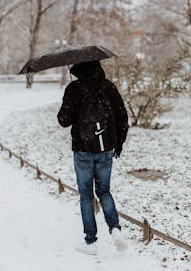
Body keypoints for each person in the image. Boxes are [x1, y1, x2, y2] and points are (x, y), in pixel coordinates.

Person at [57, 60, 129, 255]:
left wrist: (70, 100)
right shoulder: (108, 87)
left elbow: (63, 120)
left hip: (83, 150)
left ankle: (91, 242)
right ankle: (115, 230)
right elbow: (123, 117)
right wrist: (118, 143)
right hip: (106, 148)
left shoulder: (75, 88)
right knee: (105, 192)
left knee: (87, 195)